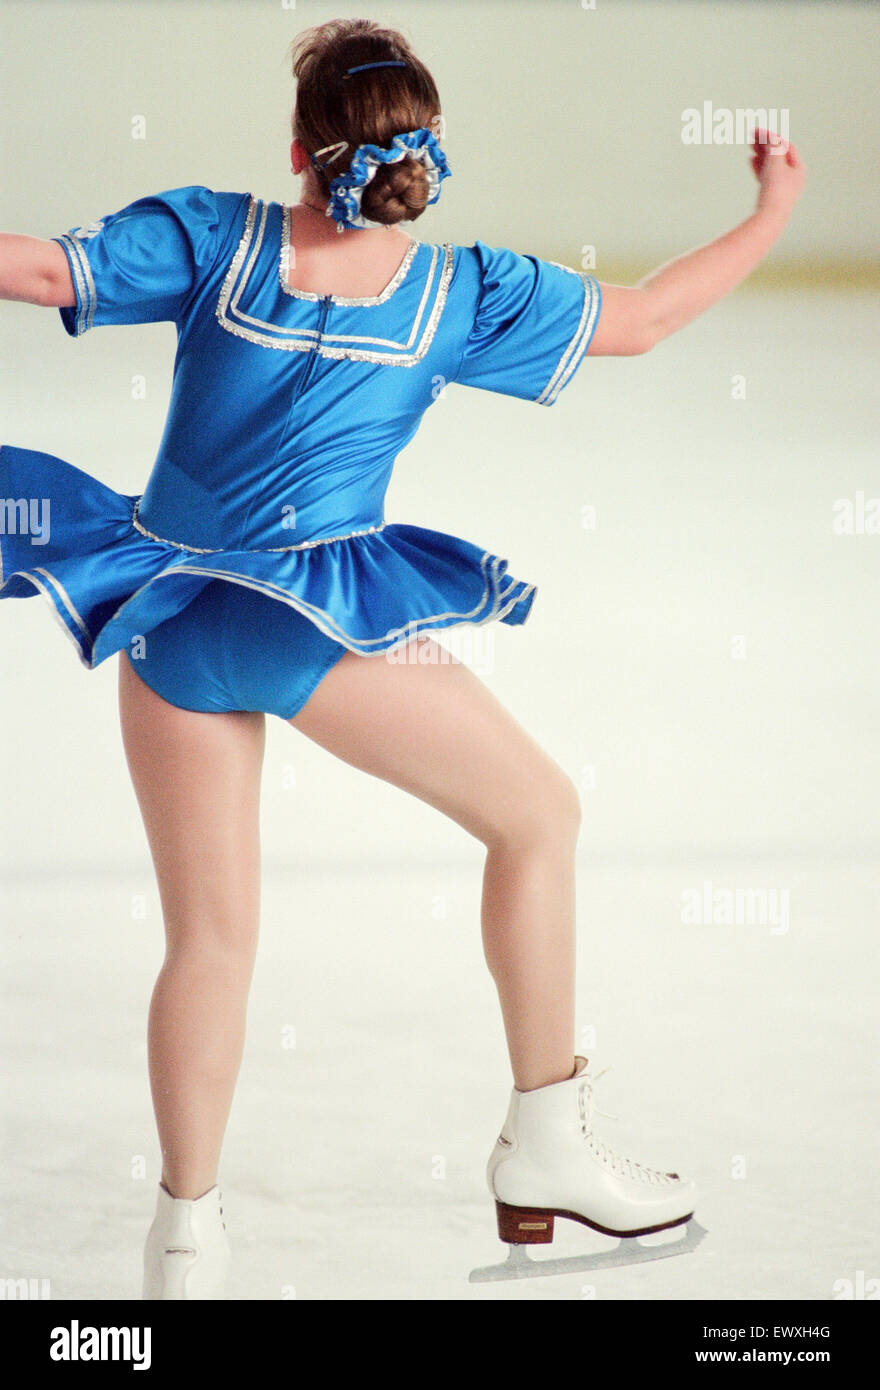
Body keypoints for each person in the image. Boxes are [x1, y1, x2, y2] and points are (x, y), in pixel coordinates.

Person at [0, 17, 805, 1298]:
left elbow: (40, 272)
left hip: (169, 614)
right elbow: (645, 320)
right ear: (418, 154)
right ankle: (544, 1140)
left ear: (297, 147)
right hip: (312, 626)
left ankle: (185, 1239)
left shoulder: (218, 237)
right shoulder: (458, 292)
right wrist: (770, 211)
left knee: (209, 942)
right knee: (537, 814)